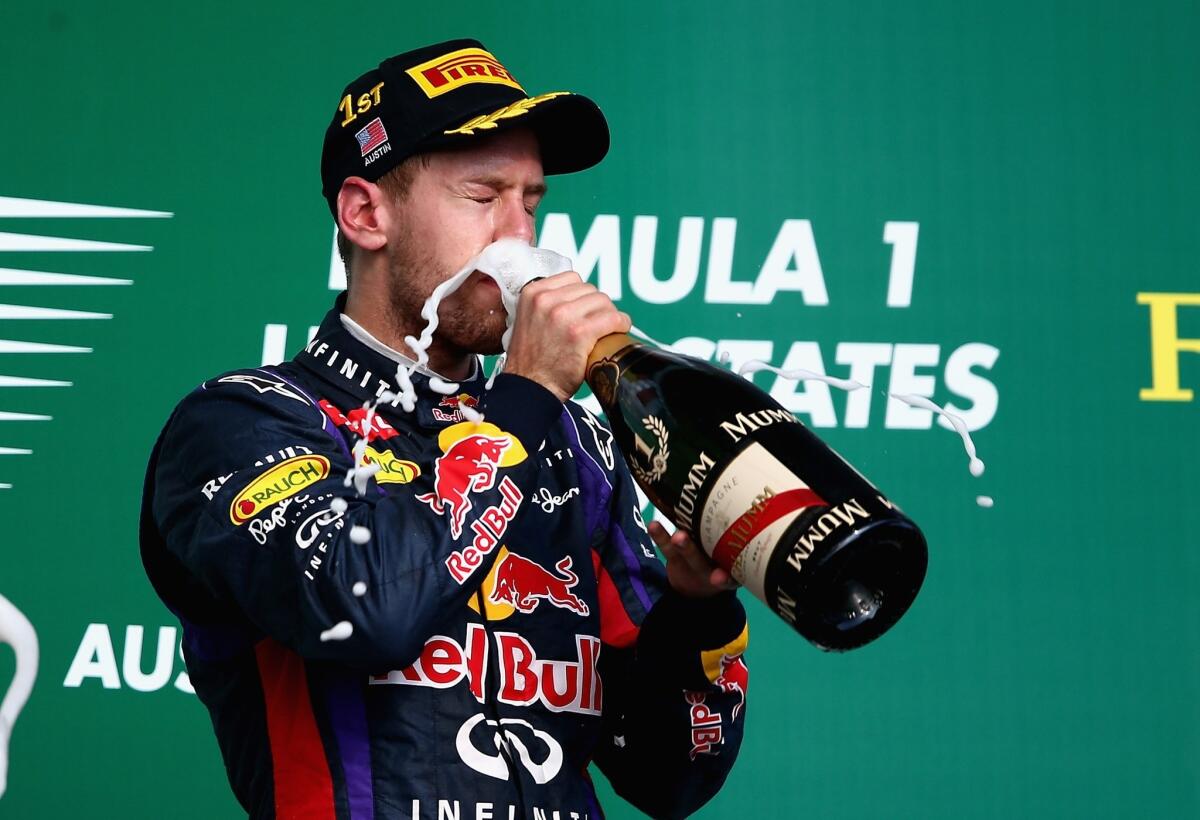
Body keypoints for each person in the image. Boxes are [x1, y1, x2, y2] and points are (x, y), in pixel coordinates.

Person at [140, 38, 749, 820]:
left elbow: (672, 776)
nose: (518, 238)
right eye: (482, 194)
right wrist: (523, 402)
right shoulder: (243, 422)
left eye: (530, 199)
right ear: (366, 214)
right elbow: (364, 614)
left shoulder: (580, 450)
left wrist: (699, 607)